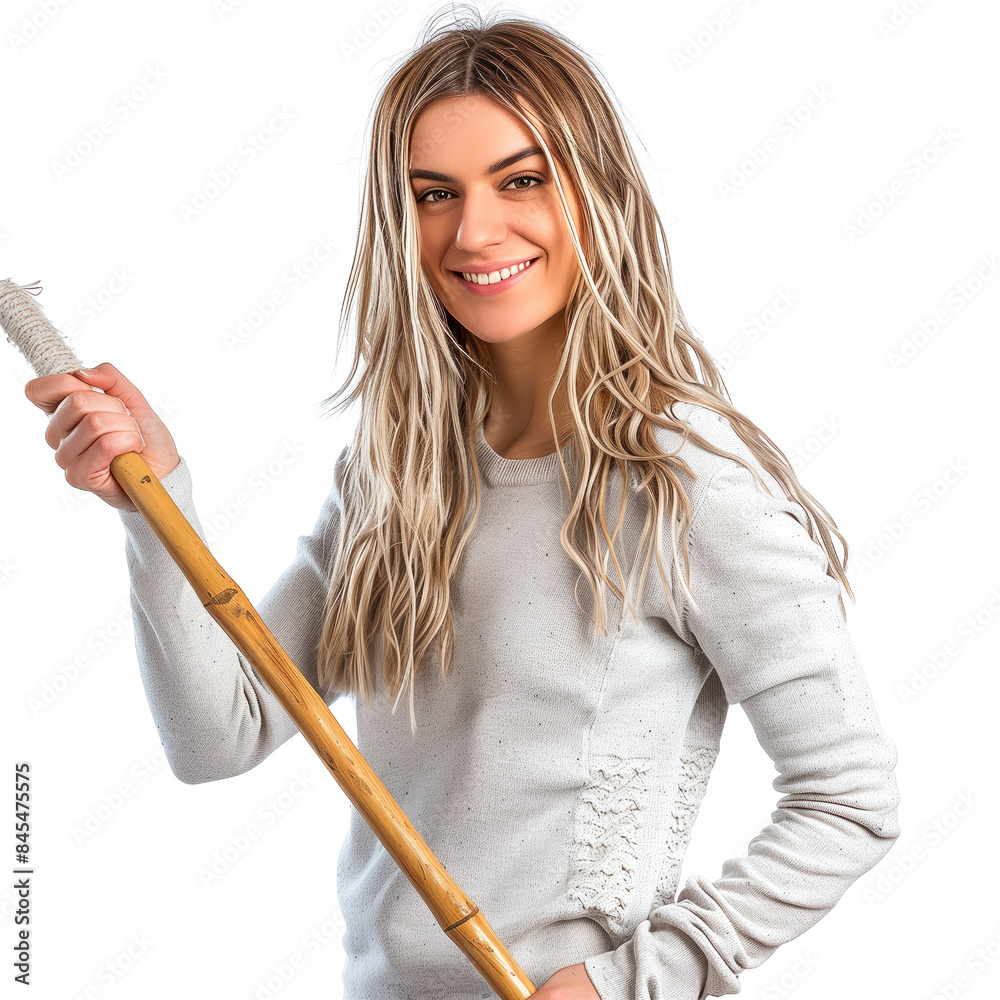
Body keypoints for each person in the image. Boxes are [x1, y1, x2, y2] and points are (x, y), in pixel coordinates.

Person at [25, 6, 901, 999]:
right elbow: (218, 735)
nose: (474, 231)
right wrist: (154, 507)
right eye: (433, 193)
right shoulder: (393, 476)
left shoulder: (684, 481)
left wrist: (630, 981)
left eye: (520, 179)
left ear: (598, 189)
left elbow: (850, 798)